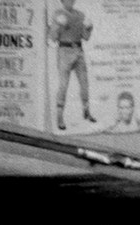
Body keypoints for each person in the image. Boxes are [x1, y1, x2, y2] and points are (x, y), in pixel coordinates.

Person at [49, 0, 96, 131]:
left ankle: (86, 111)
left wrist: (89, 28)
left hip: (79, 51)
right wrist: (58, 25)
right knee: (63, 85)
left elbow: (85, 37)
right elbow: (52, 38)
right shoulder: (57, 14)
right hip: (64, 51)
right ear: (62, 1)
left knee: (84, 83)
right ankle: (59, 117)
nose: (69, 2)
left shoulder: (80, 15)